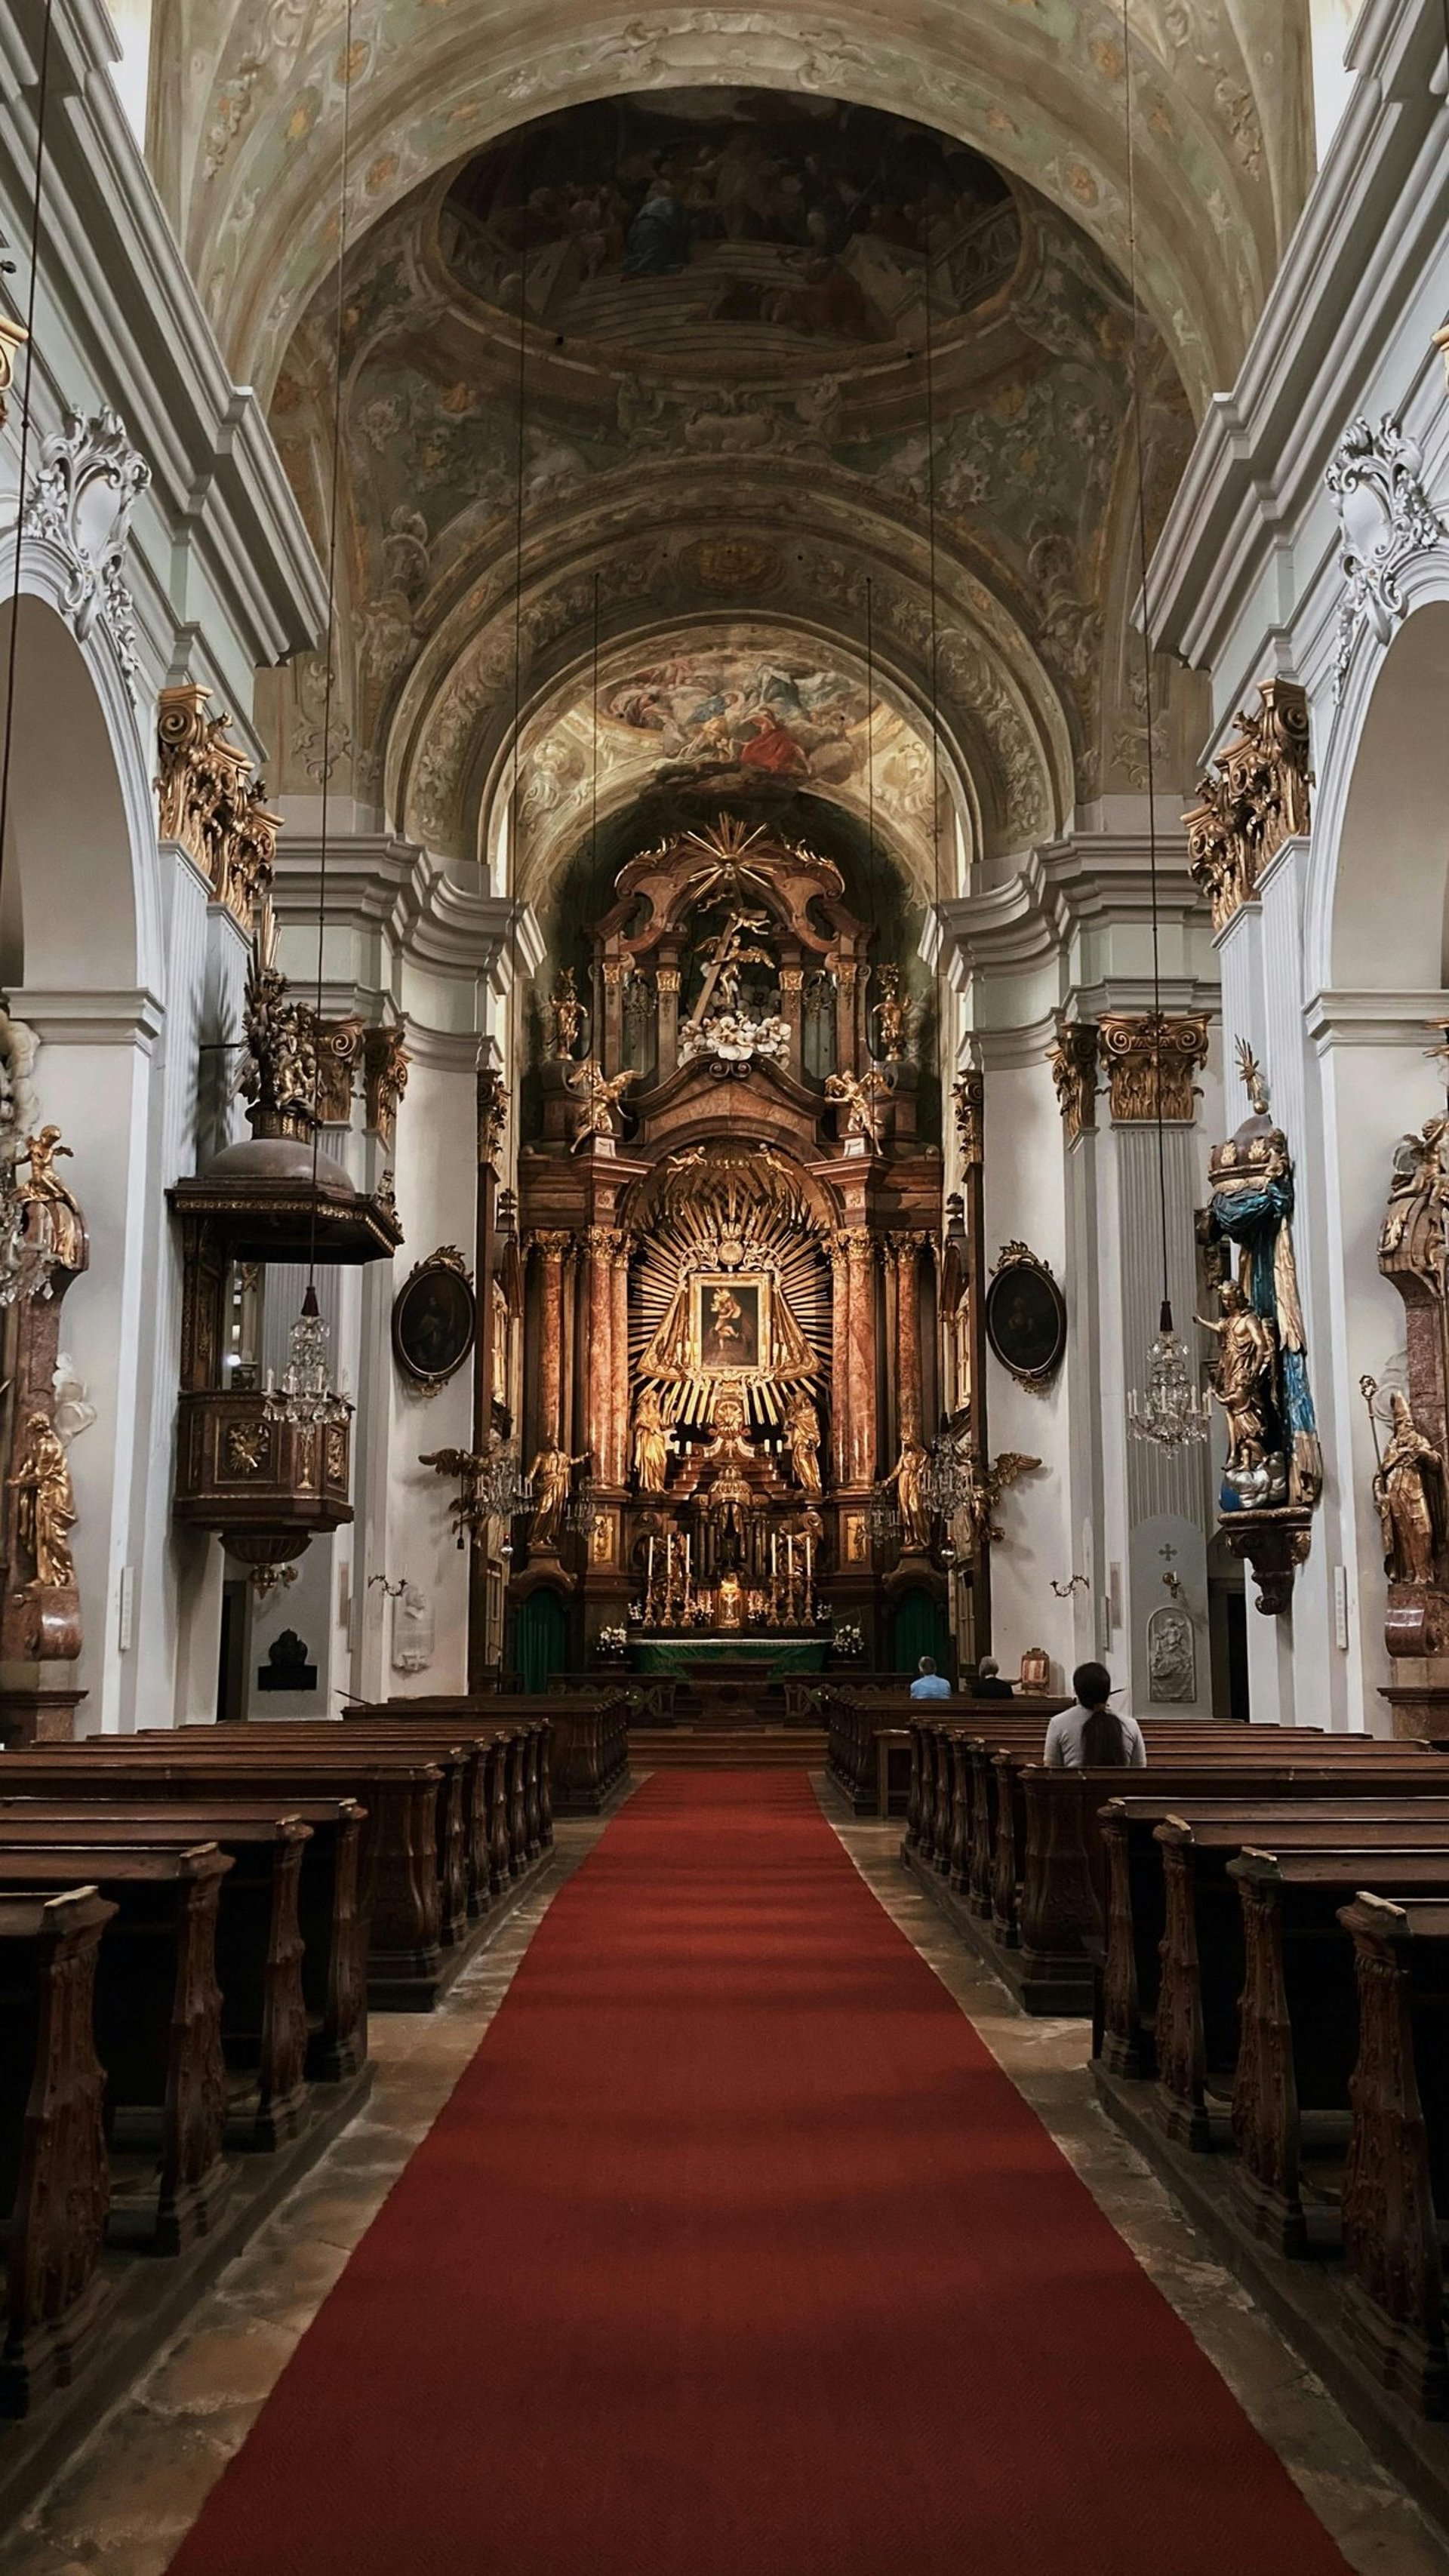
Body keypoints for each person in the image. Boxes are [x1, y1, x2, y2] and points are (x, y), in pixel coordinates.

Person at [1043, 1662, 1146, 1769]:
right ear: (1108, 1691)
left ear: (1077, 1691)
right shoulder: (1130, 1725)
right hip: (1120, 1786)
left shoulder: (1058, 1724)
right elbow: (1140, 1772)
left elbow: (1051, 1771)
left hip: (1074, 1786)